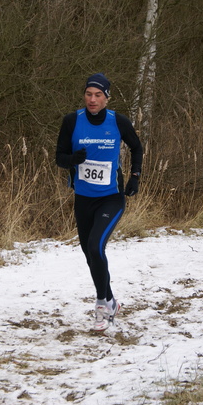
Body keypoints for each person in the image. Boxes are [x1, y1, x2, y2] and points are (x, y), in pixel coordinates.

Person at [55, 73, 143, 331]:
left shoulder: (118, 122)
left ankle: (102, 305)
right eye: (88, 94)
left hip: (111, 198)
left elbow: (137, 148)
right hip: (83, 200)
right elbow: (59, 157)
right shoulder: (72, 121)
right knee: (90, 254)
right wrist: (72, 160)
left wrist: (135, 176)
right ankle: (111, 301)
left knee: (95, 246)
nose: (92, 99)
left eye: (98, 95)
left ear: (106, 98)